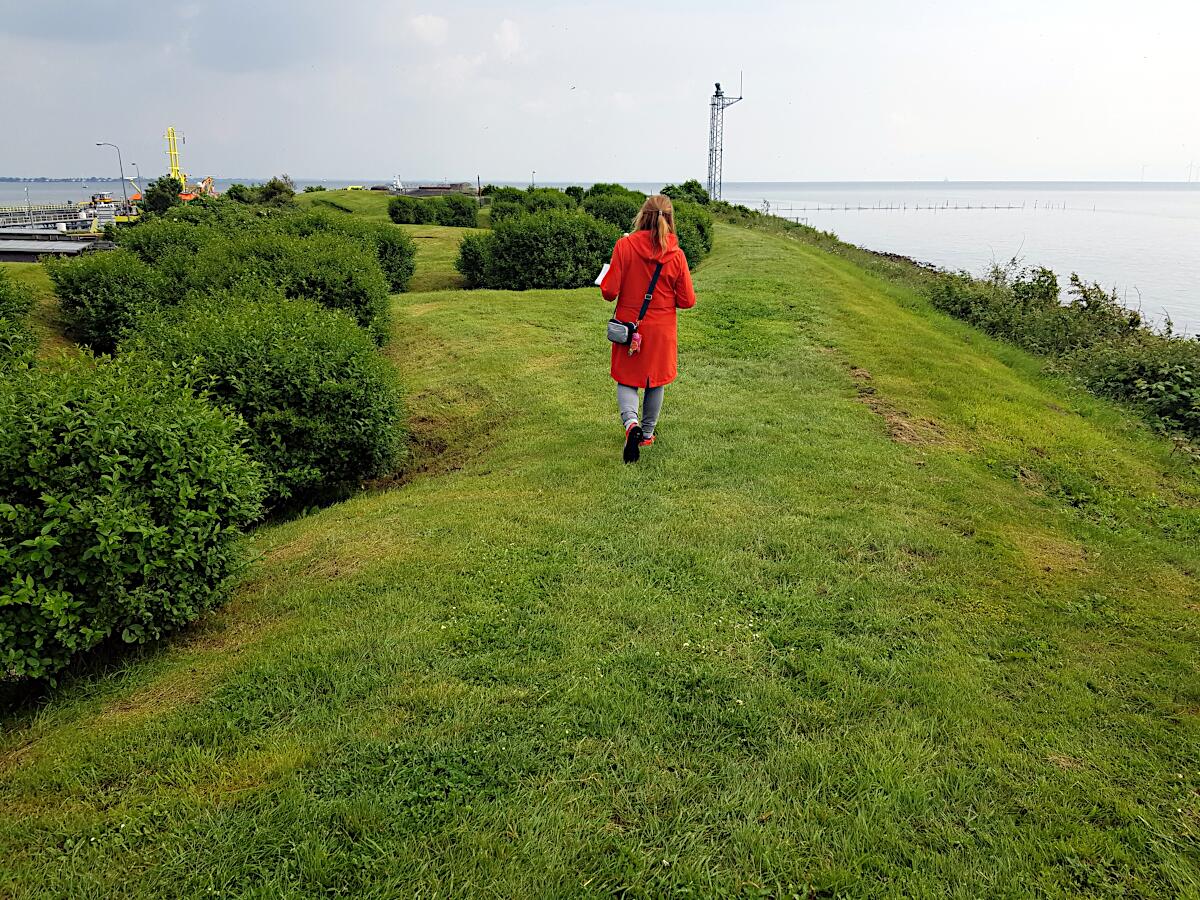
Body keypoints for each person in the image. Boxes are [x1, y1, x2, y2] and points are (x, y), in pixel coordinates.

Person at [600, 194, 697, 463]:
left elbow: (609, 292)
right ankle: (647, 434)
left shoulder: (624, 246)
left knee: (627, 379)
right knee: (655, 380)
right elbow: (688, 300)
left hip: (630, 327)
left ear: (642, 216)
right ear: (670, 219)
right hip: (661, 330)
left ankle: (631, 424)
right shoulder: (676, 255)